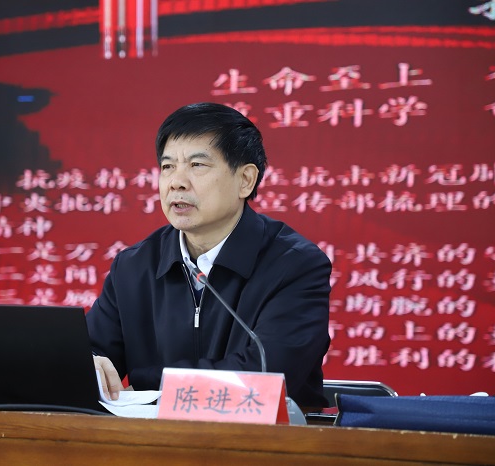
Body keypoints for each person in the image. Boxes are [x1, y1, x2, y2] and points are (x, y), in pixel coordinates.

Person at [87, 102, 332, 408]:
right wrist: (89, 364)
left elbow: (266, 376)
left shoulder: (296, 265)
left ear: (245, 180)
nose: (176, 182)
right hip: (153, 437)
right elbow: (92, 352)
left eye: (197, 165)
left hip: (265, 436)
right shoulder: (134, 267)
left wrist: (150, 381)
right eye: (168, 167)